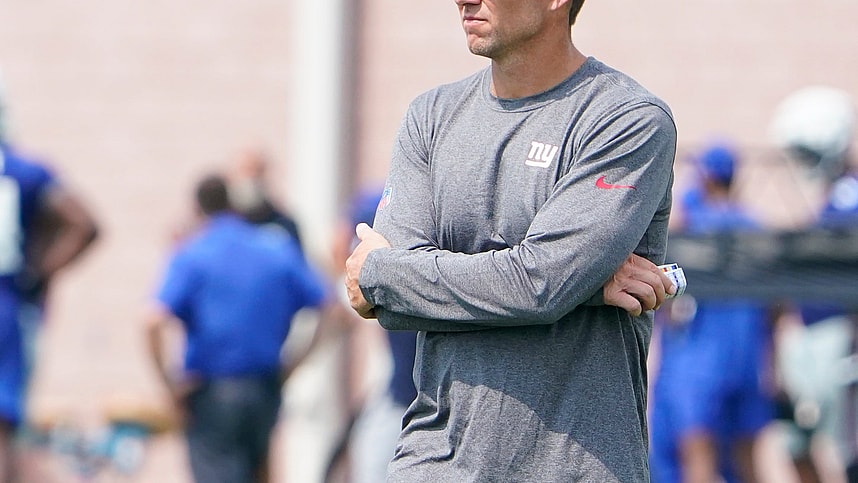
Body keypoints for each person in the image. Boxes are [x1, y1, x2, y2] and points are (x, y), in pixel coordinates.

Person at [344, 0, 678, 480]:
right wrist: (581, 286)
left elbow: (541, 285)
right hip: (433, 463)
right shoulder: (430, 116)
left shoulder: (627, 120)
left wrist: (389, 273)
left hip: (575, 466)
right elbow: (381, 298)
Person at [143, 174, 329, 483]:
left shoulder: (193, 253)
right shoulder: (274, 249)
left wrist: (169, 386)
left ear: (197, 209)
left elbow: (151, 321)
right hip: (264, 389)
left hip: (211, 393)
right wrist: (294, 364)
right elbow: (332, 309)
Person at [648, 143, 774, 483]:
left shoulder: (691, 224)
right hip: (747, 361)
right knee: (747, 464)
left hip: (694, 361)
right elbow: (779, 305)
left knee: (696, 460)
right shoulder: (755, 227)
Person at [0, 86, 99, 482]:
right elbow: (84, 223)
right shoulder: (25, 172)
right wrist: (39, 271)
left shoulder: (24, 173)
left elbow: (85, 224)